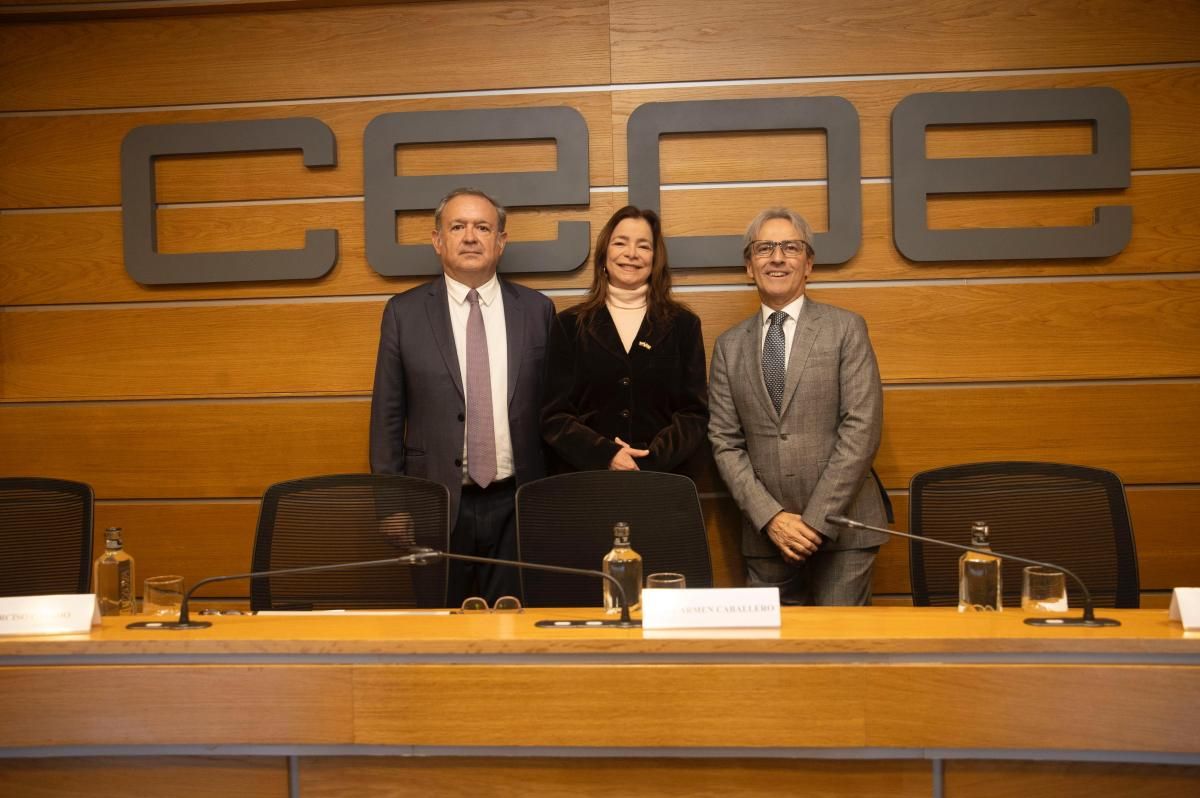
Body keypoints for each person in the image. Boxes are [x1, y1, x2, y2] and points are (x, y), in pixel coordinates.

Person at [369, 187, 554, 606]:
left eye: (483, 227)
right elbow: (387, 417)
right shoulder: (404, 313)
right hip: (434, 505)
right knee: (437, 627)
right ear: (438, 240)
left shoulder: (537, 310)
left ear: (501, 241)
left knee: (515, 626)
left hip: (517, 504)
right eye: (457, 227)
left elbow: (552, 412)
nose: (470, 237)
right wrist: (391, 506)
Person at [707, 207, 888, 605]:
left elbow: (862, 428)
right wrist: (771, 518)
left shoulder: (846, 329)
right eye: (764, 248)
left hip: (844, 531)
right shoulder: (728, 346)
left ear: (808, 264)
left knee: (840, 642)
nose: (777, 257)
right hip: (767, 535)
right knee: (771, 645)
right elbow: (724, 442)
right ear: (749, 266)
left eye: (790, 247)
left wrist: (816, 521)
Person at [542, 206, 708, 473]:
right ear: (604, 254)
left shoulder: (684, 325)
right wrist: (606, 455)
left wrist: (648, 458)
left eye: (643, 246)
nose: (631, 253)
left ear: (655, 258)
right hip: (588, 481)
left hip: (663, 479)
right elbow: (554, 416)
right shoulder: (569, 325)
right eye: (620, 243)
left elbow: (694, 413)